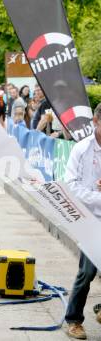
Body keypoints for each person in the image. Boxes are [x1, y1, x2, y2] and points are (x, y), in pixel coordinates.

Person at [65, 103, 101, 339]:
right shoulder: (82, 149)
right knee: (87, 272)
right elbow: (71, 187)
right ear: (96, 122)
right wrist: (98, 196)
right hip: (90, 218)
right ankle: (74, 319)